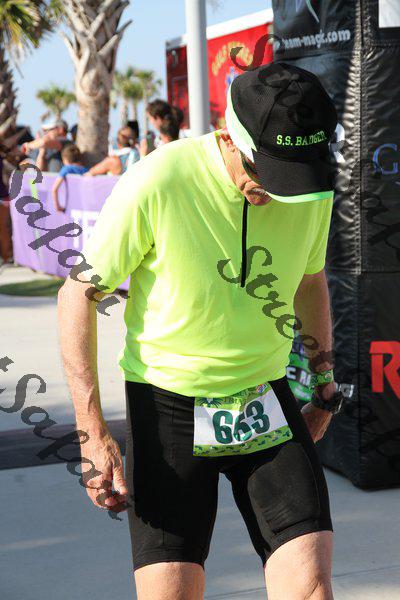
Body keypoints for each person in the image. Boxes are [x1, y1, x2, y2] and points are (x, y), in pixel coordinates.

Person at [58, 63, 344, 600]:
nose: (276, 190)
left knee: (310, 588)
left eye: (291, 175)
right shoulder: (158, 179)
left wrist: (324, 381)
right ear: (230, 138)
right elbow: (78, 293)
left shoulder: (310, 188)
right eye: (266, 171)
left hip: (264, 395)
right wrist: (91, 430)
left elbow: (310, 279)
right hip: (167, 404)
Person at [52, 144, 88, 213]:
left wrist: (57, 206)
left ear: (65, 159)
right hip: (83, 205)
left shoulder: (66, 169)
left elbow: (54, 189)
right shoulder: (86, 170)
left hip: (70, 205)